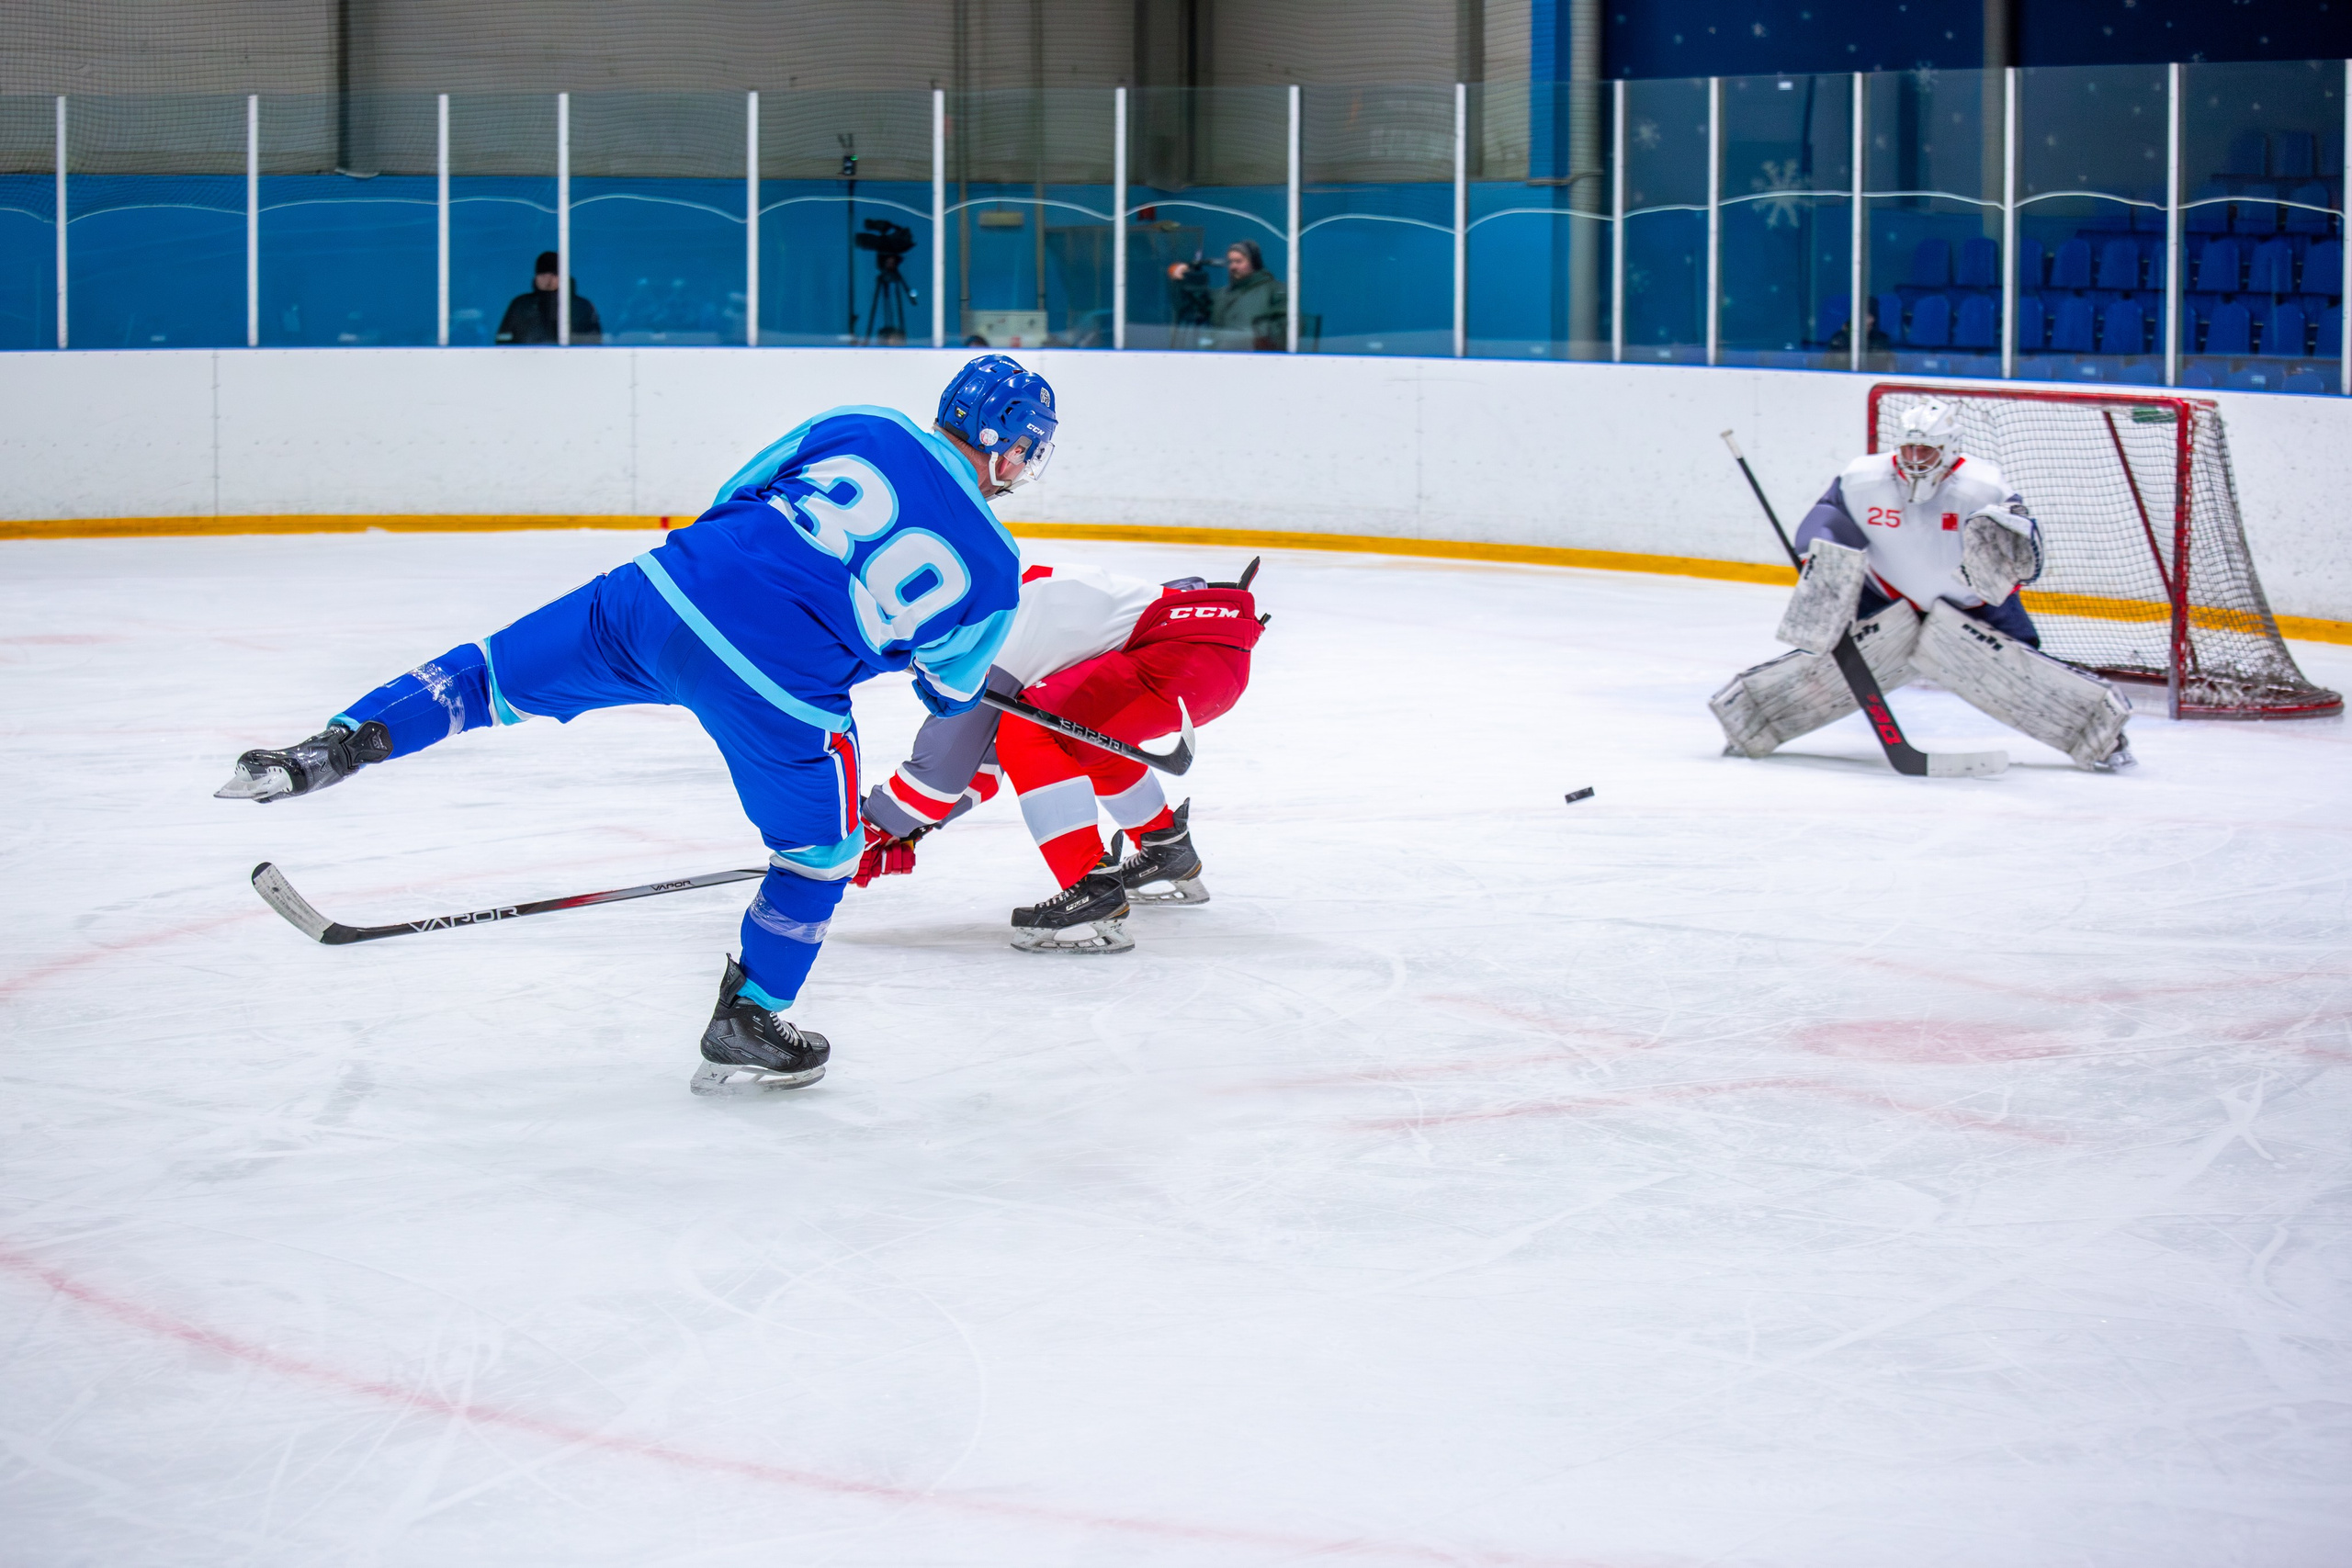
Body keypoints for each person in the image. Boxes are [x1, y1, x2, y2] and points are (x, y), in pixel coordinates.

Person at [214, 355, 1057, 1094]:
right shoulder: (996, 568)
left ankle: (330, 747)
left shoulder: (863, 423)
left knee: (487, 675)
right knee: (823, 853)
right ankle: (751, 1018)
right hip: (779, 687)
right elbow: (951, 695)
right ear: (1009, 445)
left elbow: (740, 495)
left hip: (659, 594)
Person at [856, 559, 1264, 953]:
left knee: (1034, 727)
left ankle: (1091, 889)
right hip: (1211, 654)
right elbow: (983, 765)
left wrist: (868, 828)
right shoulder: (1009, 599)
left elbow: (940, 774)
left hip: (1183, 657)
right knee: (1077, 733)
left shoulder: (995, 635)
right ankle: (1165, 848)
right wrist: (914, 827)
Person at [1710, 399, 2133, 770]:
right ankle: (1753, 721)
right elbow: (1827, 519)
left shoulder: (1983, 487)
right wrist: (1818, 547)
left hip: (1971, 605)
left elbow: (2021, 551)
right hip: (1882, 595)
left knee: (2024, 675)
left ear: (1949, 450)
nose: (1914, 459)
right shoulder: (1864, 478)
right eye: (1908, 448)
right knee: (1827, 663)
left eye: (1926, 451)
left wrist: (2012, 541)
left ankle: (2105, 739)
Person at [1169, 241, 1287, 351]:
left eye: (1239, 261)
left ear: (1254, 263)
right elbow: (1195, 305)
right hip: (1221, 361)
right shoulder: (1221, 295)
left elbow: (1287, 327)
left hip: (1259, 361)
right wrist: (1183, 279)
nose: (1233, 267)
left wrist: (1252, 340)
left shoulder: (1274, 291)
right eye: (1230, 262)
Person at [496, 251, 604, 344]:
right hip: (526, 364)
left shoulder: (581, 306)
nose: (547, 279)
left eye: (553, 274)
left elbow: (594, 340)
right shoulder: (521, 304)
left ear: (562, 276)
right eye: (542, 274)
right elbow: (503, 338)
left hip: (570, 364)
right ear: (536, 277)